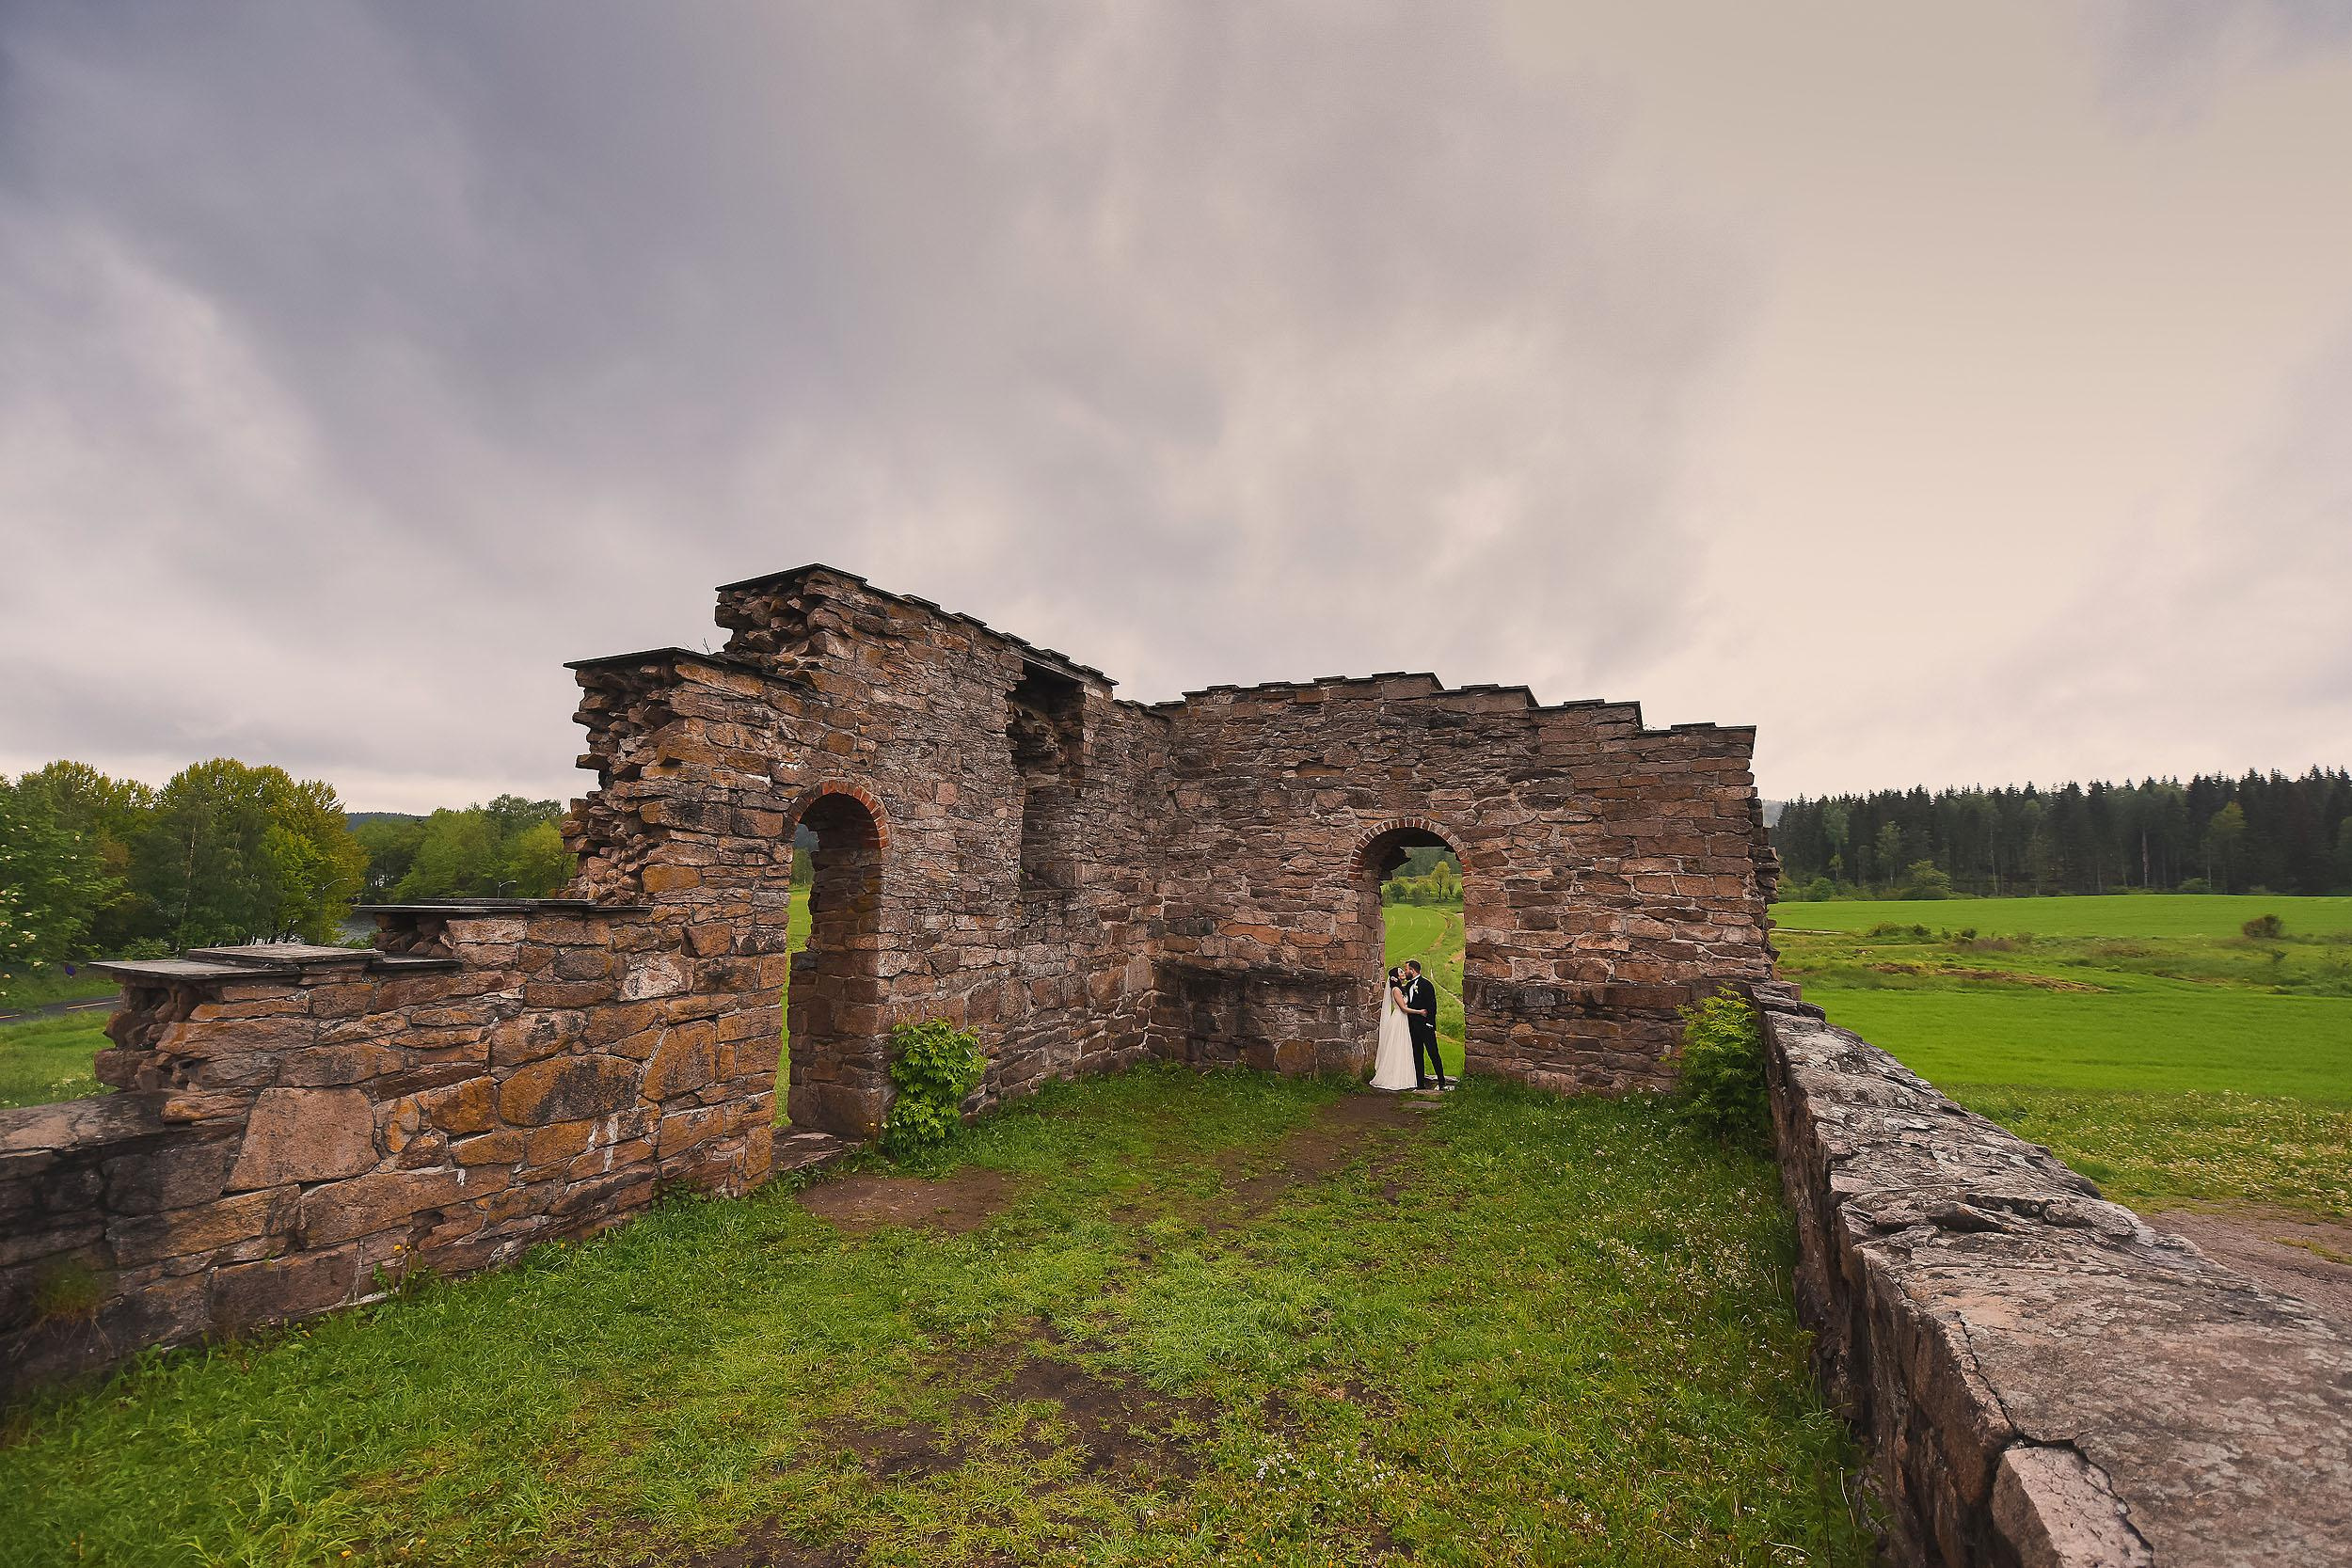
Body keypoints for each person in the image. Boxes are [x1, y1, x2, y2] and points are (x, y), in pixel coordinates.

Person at [1399, 959, 1451, 1090]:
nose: (1405, 972)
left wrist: (1429, 1023)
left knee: (1433, 1053)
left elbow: (1432, 1006)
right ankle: (1420, 1084)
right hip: (1413, 1026)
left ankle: (1442, 1082)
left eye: (1406, 969)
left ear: (1413, 970)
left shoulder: (1426, 985)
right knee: (1417, 1055)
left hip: (1425, 1026)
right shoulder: (1408, 986)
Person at [1370, 965, 1419, 1091]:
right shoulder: (1396, 990)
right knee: (1397, 1046)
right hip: (1398, 1018)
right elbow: (1403, 1008)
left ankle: (1403, 1077)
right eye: (1400, 972)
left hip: (1403, 1019)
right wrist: (1419, 1012)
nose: (1403, 973)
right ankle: (1393, 1077)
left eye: (1403, 971)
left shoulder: (1401, 988)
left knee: (1403, 1046)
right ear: (1395, 977)